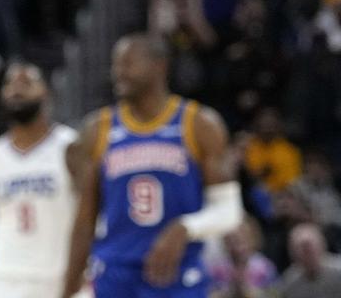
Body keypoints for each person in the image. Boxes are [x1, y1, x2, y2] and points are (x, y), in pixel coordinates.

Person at [63, 34, 243, 297]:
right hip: (116, 273)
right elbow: (84, 221)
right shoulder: (97, 130)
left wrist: (184, 229)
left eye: (128, 64)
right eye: (116, 65)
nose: (118, 73)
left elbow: (230, 212)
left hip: (177, 274)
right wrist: (67, 289)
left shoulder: (199, 124)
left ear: (160, 66)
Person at [0, 61, 79, 298]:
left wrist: (77, 277)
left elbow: (89, 220)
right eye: (10, 83)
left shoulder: (70, 147)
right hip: (3, 279)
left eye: (27, 82)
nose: (17, 89)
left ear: (46, 93)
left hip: (59, 277)